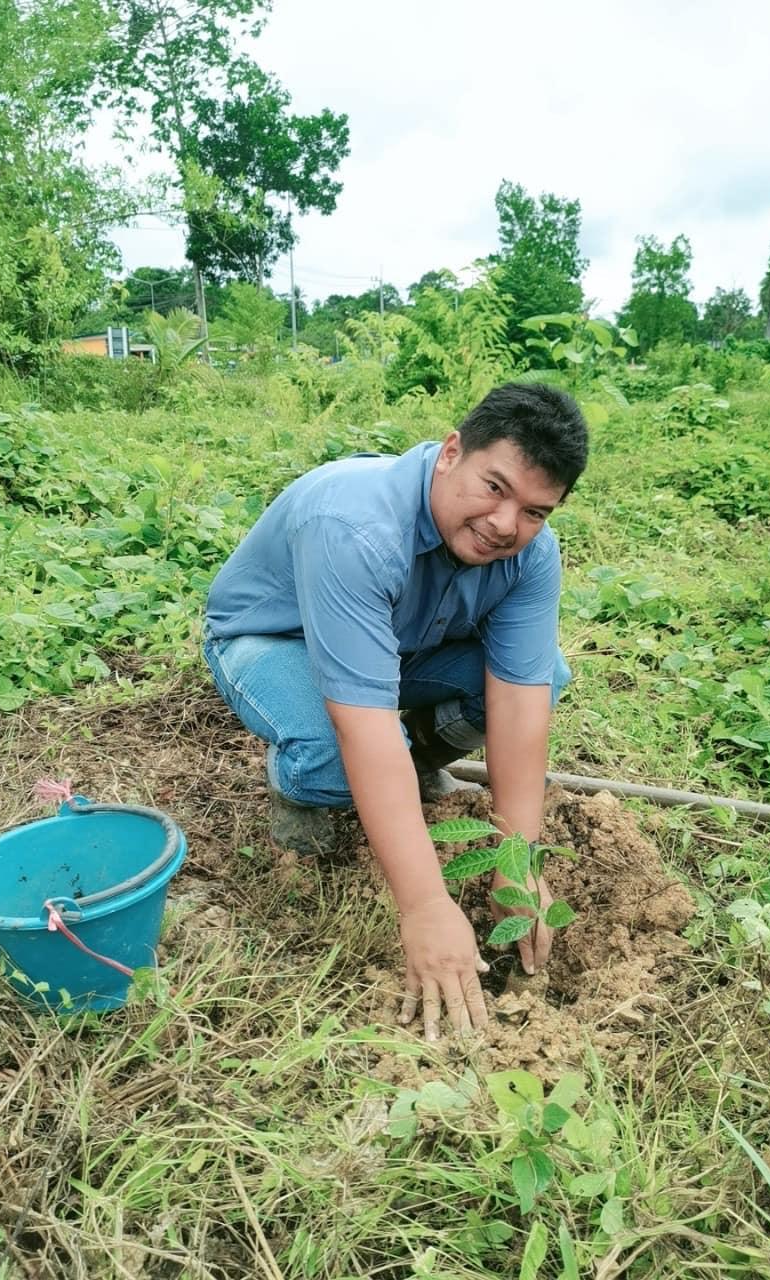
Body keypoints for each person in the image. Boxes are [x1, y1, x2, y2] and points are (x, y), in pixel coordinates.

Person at [203, 382, 588, 1041]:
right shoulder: (354, 526)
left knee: (546, 675)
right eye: (494, 487)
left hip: (402, 649)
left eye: (534, 511)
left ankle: (415, 765)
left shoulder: (529, 558)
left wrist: (515, 868)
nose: (505, 525)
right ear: (450, 454)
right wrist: (426, 906)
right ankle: (300, 783)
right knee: (335, 755)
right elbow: (364, 728)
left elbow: (521, 710)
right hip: (274, 641)